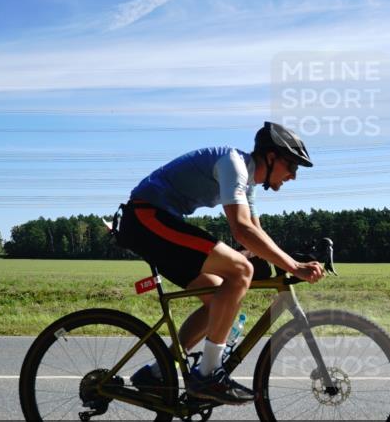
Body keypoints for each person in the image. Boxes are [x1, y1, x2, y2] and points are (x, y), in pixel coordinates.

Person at [117, 122, 324, 404]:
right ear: (272, 157)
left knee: (219, 299)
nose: (294, 176)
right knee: (241, 270)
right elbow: (241, 230)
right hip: (146, 216)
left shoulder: (247, 183)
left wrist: (291, 259)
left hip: (157, 220)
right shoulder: (234, 165)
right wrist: (293, 267)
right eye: (292, 166)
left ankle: (156, 373)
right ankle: (209, 375)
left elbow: (255, 234)